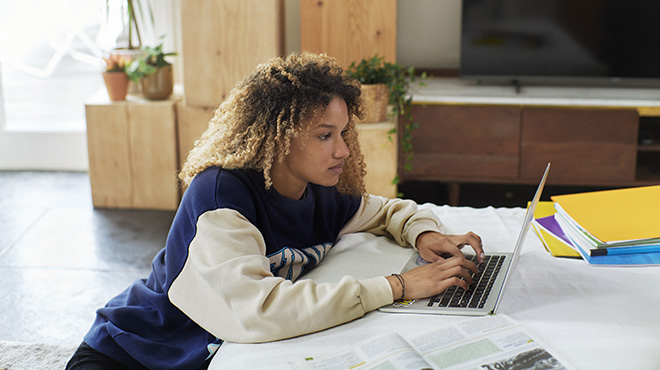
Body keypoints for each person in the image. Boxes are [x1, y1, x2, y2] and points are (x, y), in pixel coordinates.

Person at [66, 51, 484, 370]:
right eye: (324, 136)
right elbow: (259, 311)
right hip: (137, 351)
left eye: (342, 133)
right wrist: (398, 285)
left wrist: (426, 235)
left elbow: (388, 211)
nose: (342, 150)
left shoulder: (319, 189)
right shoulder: (220, 196)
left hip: (215, 354)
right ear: (278, 136)